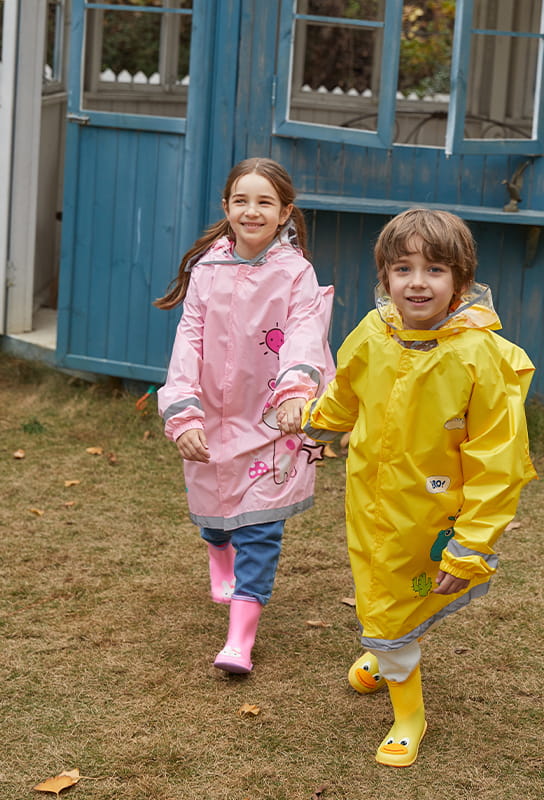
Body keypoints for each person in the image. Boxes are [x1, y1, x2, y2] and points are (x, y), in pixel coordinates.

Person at [296, 208, 536, 767]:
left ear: (461, 280)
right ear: (385, 278)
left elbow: (498, 462)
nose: (418, 282)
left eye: (435, 270)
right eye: (403, 269)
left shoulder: (478, 358)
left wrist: (473, 544)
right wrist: (317, 421)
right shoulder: (373, 333)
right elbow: (346, 390)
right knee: (379, 585)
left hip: (432, 512)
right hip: (370, 499)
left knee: (390, 599)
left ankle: (409, 713)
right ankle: (385, 651)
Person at [155, 157, 334, 674]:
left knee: (260, 527)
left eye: (264, 202)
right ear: (227, 207)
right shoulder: (206, 270)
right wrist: (184, 412)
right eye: (241, 200)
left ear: (284, 213)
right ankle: (217, 552)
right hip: (211, 415)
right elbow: (188, 341)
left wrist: (297, 391)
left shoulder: (296, 274)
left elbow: (303, 330)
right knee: (215, 511)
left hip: (274, 418)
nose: (251, 211)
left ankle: (240, 640)